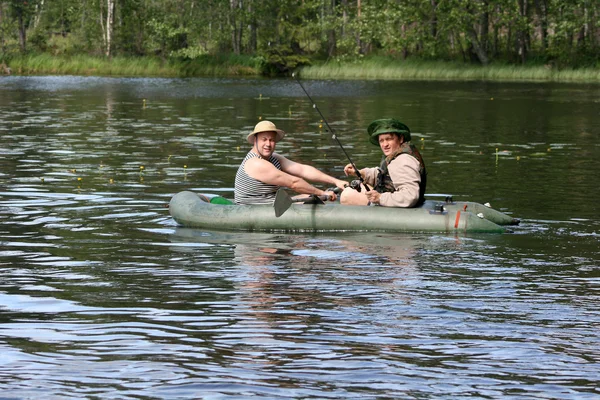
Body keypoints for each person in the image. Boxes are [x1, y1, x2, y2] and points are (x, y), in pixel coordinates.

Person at [235, 120, 348, 205]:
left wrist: (336, 181)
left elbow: (302, 170)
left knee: (308, 196)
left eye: (272, 140)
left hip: (272, 204)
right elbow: (294, 183)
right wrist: (322, 193)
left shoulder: (274, 158)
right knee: (313, 199)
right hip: (253, 209)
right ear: (255, 140)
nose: (268, 144)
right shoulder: (256, 163)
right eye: (264, 139)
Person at [340, 118, 427, 207]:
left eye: (389, 139)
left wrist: (380, 198)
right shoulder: (396, 156)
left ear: (401, 139)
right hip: (393, 201)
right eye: (381, 140)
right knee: (359, 186)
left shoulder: (403, 161)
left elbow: (410, 196)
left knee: (347, 195)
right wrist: (360, 173)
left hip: (400, 211)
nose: (385, 144)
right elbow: (384, 175)